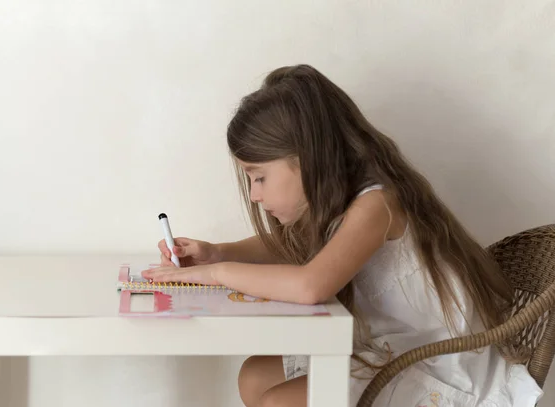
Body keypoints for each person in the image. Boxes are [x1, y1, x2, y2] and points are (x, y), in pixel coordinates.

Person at [142, 65, 543, 406]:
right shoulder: (339, 203)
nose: (255, 195)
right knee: (254, 376)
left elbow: (310, 285)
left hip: (441, 369)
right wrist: (217, 252)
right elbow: (287, 247)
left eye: (260, 177)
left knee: (278, 401)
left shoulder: (376, 205)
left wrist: (217, 274)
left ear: (307, 160)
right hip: (389, 349)